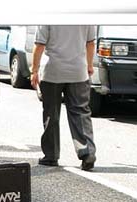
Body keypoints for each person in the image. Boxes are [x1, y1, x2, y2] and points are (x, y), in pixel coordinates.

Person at [30, 25, 97, 171]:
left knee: (51, 114)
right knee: (80, 112)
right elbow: (90, 43)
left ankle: (51, 156)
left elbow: (40, 45)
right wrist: (90, 64)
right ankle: (87, 153)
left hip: (52, 72)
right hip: (78, 72)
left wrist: (34, 70)